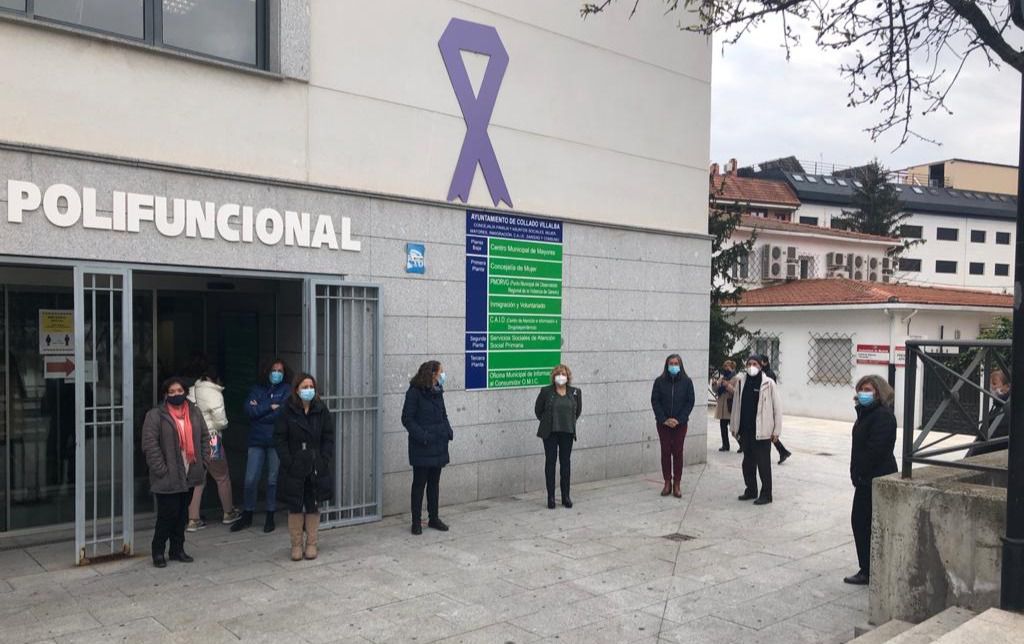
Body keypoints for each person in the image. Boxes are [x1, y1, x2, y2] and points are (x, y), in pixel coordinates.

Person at [141, 377, 210, 568]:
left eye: (179, 391)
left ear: (185, 392)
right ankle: (158, 551)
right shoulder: (155, 415)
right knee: (167, 514)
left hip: (190, 472)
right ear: (165, 395)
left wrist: (204, 462)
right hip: (167, 475)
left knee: (182, 515)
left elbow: (205, 437)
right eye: (171, 392)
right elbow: (150, 444)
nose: (176, 394)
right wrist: (161, 469)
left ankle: (177, 549)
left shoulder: (194, 412)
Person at [275, 373, 334, 561]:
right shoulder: (287, 410)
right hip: (294, 465)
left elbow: (328, 437)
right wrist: (288, 461)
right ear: (296, 389)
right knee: (294, 505)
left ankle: (311, 544)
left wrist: (324, 458)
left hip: (315, 464)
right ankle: (296, 545)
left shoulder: (321, 409)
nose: (308, 390)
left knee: (313, 504)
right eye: (304, 387)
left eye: (311, 386)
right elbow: (280, 438)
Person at [845, 375, 898, 585]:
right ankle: (867, 568)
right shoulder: (866, 414)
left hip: (876, 478)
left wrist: (860, 471)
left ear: (879, 392)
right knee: (861, 522)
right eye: (860, 389)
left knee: (865, 522)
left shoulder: (882, 416)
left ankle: (869, 570)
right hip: (865, 479)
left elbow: (876, 449)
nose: (863, 393)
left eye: (867, 389)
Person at [233, 359, 292, 533]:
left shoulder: (287, 390)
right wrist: (270, 407)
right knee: (250, 479)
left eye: (280, 370)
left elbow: (282, 414)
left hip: (276, 440)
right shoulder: (256, 389)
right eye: (274, 370)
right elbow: (249, 412)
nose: (277, 373)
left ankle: (270, 515)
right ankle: (248, 513)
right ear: (267, 371)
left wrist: (261, 409)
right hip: (256, 440)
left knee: (272, 480)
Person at [185, 360, 241, 531]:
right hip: (212, 439)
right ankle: (228, 512)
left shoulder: (192, 391)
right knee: (222, 476)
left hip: (193, 439)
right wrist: (222, 425)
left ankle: (193, 519)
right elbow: (220, 421)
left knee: (197, 479)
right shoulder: (214, 393)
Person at [402, 360, 454, 535]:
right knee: (419, 484)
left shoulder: (438, 392)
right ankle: (416, 521)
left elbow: (443, 414)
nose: (442, 375)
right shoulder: (414, 393)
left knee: (434, 483)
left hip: (439, 444)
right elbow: (407, 419)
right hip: (422, 446)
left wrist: (448, 430)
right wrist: (423, 437)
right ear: (431, 374)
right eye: (440, 372)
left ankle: (434, 518)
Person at [730, 355, 782, 505]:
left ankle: (766, 494)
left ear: (760, 366)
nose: (752, 366)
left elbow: (777, 409)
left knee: (763, 464)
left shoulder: (768, 383)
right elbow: (736, 406)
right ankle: (751, 489)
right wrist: (734, 427)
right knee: (748, 463)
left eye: (755, 364)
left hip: (763, 431)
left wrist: (776, 431)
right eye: (749, 363)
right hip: (746, 431)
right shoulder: (741, 382)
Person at [535, 364, 583, 509]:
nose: (561, 376)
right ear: (554, 377)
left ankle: (565, 496)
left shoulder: (575, 392)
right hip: (550, 432)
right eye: (558, 374)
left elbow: (578, 411)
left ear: (568, 376)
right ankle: (550, 497)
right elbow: (538, 411)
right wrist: (548, 421)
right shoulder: (546, 391)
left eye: (563, 374)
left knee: (565, 463)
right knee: (550, 463)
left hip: (567, 432)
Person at [650, 354, 695, 498]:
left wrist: (679, 419)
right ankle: (667, 482)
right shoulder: (659, 381)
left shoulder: (687, 382)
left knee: (678, 452)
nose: (674, 366)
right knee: (665, 452)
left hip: (680, 424)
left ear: (680, 365)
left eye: (676, 363)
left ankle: (677, 483)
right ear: (666, 365)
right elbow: (655, 401)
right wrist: (664, 419)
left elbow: (690, 402)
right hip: (663, 424)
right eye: (671, 363)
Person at [966, 370, 1011, 458]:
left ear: (1007, 386)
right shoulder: (996, 405)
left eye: (995, 384)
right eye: (990, 385)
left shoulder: (1005, 407)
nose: (992, 388)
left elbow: (999, 432)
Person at [758, 355, 793, 464]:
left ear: (764, 362)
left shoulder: (768, 374)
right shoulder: (767, 372)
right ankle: (783, 451)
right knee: (768, 433)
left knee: (768, 433)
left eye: (760, 362)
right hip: (767, 406)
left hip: (768, 407)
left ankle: (782, 451)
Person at [713, 360, 737, 452]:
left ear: (732, 367)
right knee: (723, 428)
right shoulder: (722, 378)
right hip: (722, 407)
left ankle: (742, 444)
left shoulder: (736, 378)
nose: (726, 368)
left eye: (727, 366)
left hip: (730, 406)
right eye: (724, 366)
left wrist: (728, 386)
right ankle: (725, 445)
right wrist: (714, 384)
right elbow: (716, 390)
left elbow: (736, 392)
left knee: (733, 429)